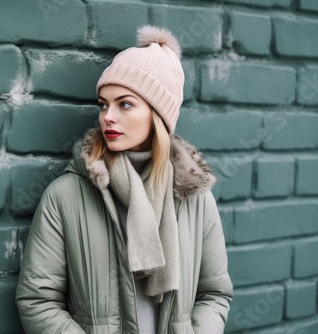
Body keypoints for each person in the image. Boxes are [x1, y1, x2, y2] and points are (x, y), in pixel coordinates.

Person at [16, 25, 233, 334]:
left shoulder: (195, 197)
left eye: (125, 103)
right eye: (104, 104)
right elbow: (37, 300)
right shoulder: (66, 195)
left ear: (156, 115)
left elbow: (214, 295)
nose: (108, 116)